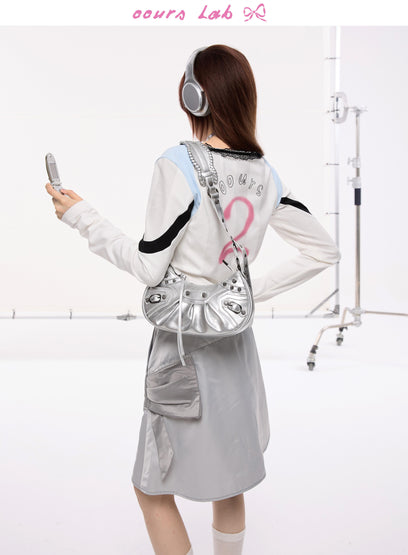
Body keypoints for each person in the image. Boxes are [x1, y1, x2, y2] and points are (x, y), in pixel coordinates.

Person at [45, 44, 341, 555]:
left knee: (151, 488)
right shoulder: (265, 174)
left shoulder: (178, 163)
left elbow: (148, 267)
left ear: (193, 98)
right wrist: (245, 294)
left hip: (183, 349)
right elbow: (324, 250)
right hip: (236, 343)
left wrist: (81, 218)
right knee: (230, 482)